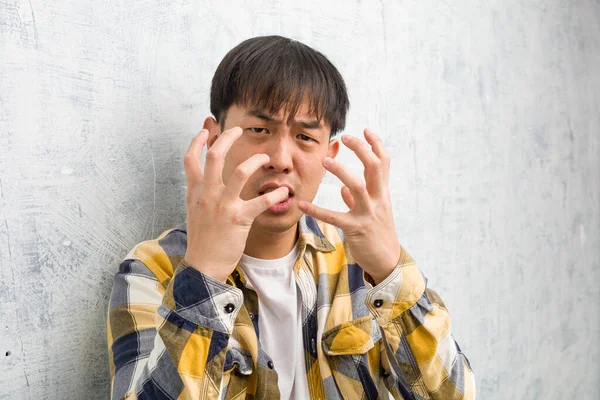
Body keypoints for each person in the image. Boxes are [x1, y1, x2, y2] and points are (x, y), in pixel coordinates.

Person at [106, 35, 476, 400]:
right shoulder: (154, 269)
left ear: (328, 153)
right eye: (259, 130)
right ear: (215, 136)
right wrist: (203, 275)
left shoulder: (361, 265)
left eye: (304, 137)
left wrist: (392, 271)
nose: (281, 158)